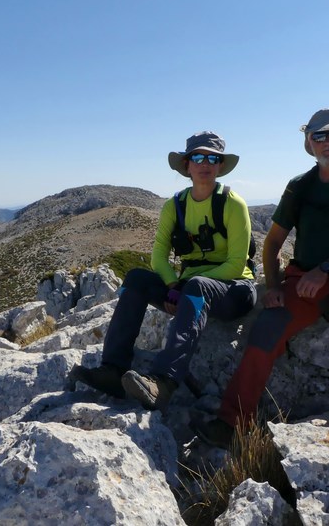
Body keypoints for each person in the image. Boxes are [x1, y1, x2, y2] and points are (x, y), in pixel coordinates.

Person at [194, 109, 329, 448]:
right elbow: (271, 244)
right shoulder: (300, 186)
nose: (328, 143)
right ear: (308, 143)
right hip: (303, 281)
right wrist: (273, 287)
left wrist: (325, 268)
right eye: (320, 136)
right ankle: (232, 420)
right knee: (268, 326)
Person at [71, 131, 257, 411]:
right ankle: (113, 369)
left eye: (212, 158)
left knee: (197, 286)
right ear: (187, 165)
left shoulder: (233, 204)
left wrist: (185, 286)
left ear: (220, 165)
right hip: (187, 288)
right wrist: (173, 285)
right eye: (198, 157)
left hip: (234, 289)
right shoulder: (175, 206)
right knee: (135, 279)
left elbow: (235, 263)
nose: (205, 163)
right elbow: (158, 256)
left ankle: (164, 383)